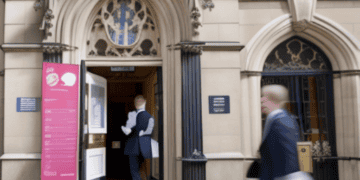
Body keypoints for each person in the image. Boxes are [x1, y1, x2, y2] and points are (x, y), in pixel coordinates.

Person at [260, 85, 313, 180]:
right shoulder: (277, 119)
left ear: (270, 99)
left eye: (263, 98)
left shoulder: (281, 121)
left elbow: (289, 157)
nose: (261, 101)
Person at [121, 95, 154, 180]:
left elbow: (127, 131)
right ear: (145, 103)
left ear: (135, 105)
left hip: (133, 148)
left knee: (134, 171)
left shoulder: (133, 115)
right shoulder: (150, 117)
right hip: (145, 148)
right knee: (140, 169)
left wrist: (123, 128)